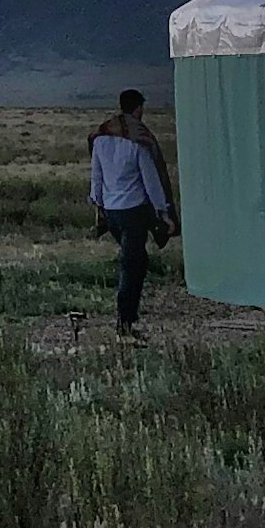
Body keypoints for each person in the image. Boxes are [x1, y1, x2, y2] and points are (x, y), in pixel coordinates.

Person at [88, 88, 178, 341]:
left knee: (136, 262)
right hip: (134, 212)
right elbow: (152, 181)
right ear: (139, 108)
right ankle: (125, 324)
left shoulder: (101, 139)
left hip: (112, 212)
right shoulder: (139, 143)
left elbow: (96, 177)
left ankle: (127, 320)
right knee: (131, 266)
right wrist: (164, 212)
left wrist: (99, 205)